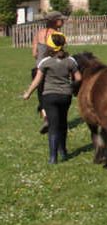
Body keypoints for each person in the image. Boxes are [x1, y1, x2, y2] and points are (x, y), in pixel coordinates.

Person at [23, 31, 81, 164]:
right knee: (63, 123)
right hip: (65, 96)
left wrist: (28, 93)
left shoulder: (45, 62)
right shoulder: (71, 61)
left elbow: (37, 81)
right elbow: (78, 78)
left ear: (50, 47)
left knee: (53, 126)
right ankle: (64, 151)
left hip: (49, 97)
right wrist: (72, 86)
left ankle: (53, 157)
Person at [30, 10, 67, 133]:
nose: (63, 21)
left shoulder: (38, 33)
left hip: (39, 68)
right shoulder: (58, 35)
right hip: (54, 69)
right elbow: (62, 53)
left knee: (42, 96)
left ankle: (46, 118)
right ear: (56, 21)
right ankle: (58, 120)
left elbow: (34, 53)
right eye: (61, 19)